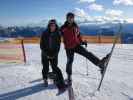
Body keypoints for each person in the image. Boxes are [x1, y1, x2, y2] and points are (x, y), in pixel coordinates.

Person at [61, 12, 110, 85]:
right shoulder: (63, 28)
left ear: (73, 18)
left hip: (76, 45)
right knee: (70, 61)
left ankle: (100, 64)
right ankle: (69, 77)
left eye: (72, 17)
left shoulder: (76, 26)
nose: (71, 19)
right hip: (68, 48)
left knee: (87, 53)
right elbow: (57, 36)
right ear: (67, 18)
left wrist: (82, 42)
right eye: (69, 17)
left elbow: (78, 36)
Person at [40, 19, 67, 92]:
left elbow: (58, 46)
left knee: (55, 67)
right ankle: (45, 79)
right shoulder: (44, 33)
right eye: (51, 25)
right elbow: (41, 45)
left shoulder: (58, 34)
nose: (52, 26)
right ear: (49, 26)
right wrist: (47, 54)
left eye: (54, 25)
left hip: (54, 54)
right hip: (45, 54)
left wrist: (54, 54)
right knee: (45, 67)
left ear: (56, 26)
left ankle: (60, 81)